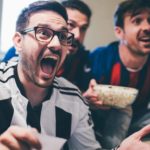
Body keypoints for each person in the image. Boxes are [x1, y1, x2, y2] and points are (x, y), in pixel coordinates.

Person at [0, 1, 101, 149]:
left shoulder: (75, 100)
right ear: (18, 41)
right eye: (43, 33)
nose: (56, 44)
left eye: (62, 36)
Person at [83, 0, 150, 149]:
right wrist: (86, 97)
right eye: (137, 21)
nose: (147, 27)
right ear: (119, 32)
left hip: (137, 122)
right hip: (100, 123)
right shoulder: (99, 58)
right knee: (123, 108)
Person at [57, 0, 92, 92]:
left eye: (83, 28)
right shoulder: (25, 52)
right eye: (70, 25)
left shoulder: (84, 59)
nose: (77, 36)